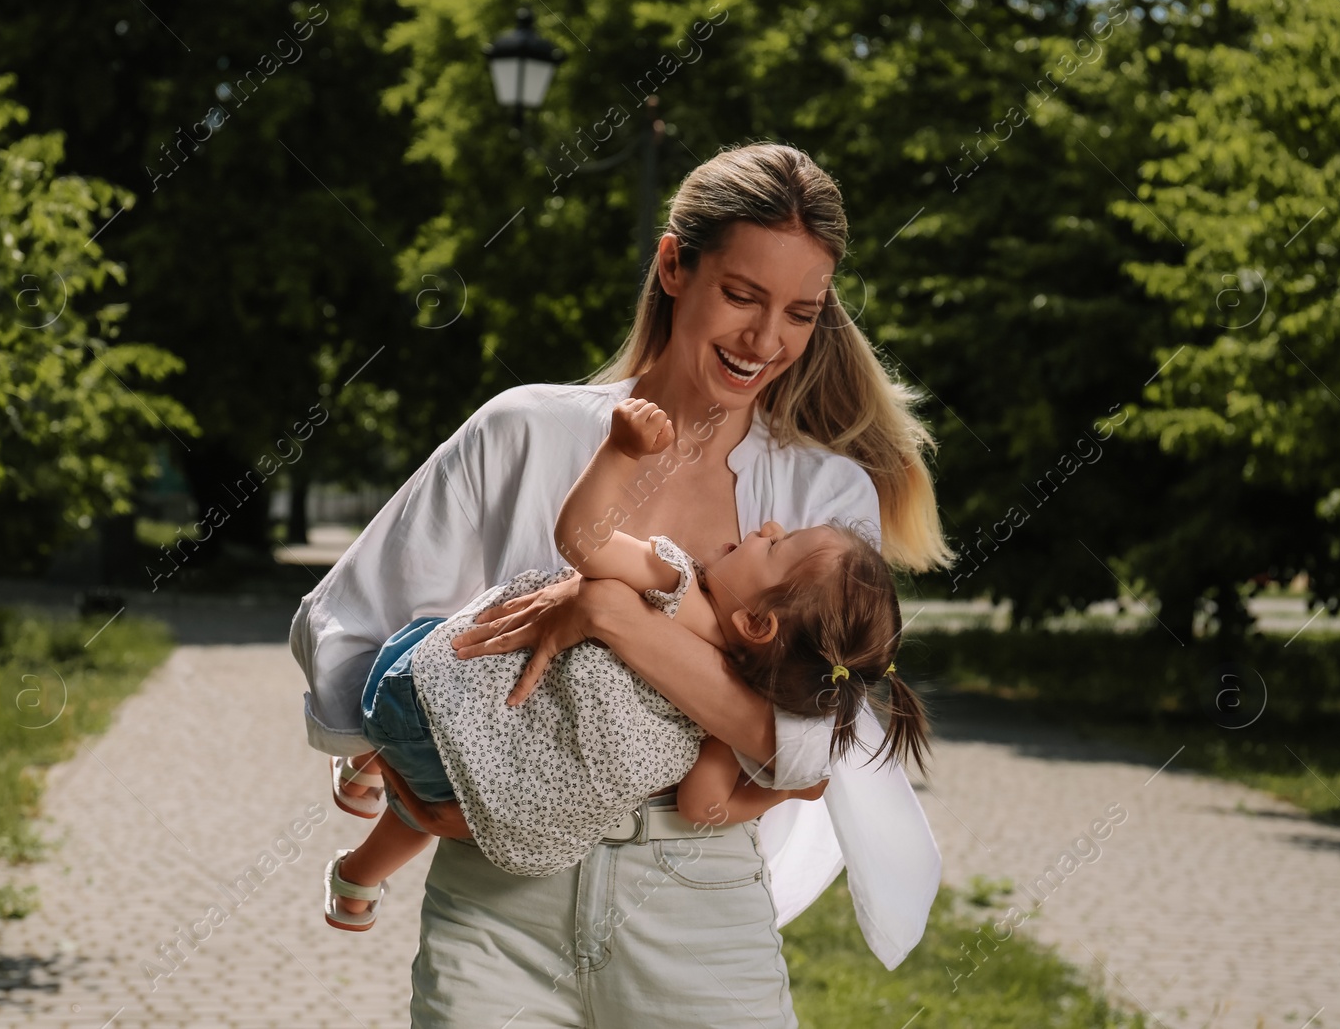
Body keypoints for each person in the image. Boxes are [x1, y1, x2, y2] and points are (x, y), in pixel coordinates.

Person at [289, 141, 956, 1027]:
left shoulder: (822, 500)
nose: (766, 340)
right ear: (675, 264)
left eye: (799, 312)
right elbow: (351, 615)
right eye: (742, 296)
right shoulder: (525, 430)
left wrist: (608, 613)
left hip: (696, 903)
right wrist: (382, 756)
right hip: (498, 902)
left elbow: (802, 742)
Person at [322, 396, 924, 931]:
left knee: (447, 642)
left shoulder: (682, 587)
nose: (766, 525)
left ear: (756, 623)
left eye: (775, 545)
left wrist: (619, 452)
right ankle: (356, 870)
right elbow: (703, 806)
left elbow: (582, 539)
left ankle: (367, 764)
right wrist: (781, 795)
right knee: (430, 803)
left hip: (423, 687)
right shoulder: (726, 718)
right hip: (470, 768)